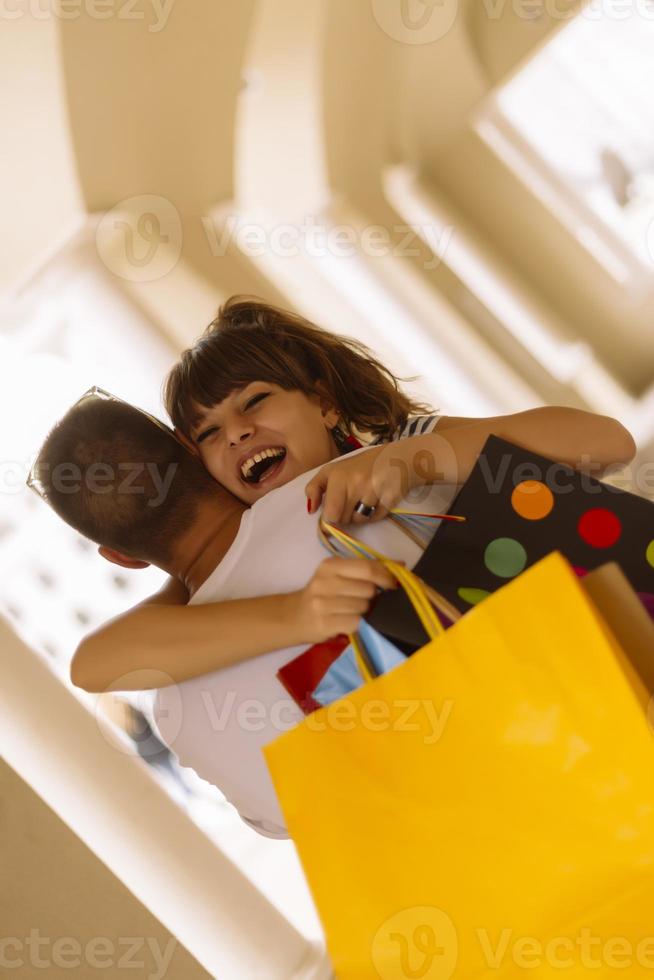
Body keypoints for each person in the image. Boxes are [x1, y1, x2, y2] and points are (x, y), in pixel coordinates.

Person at [32, 383, 636, 836]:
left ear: (121, 559)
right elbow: (593, 455)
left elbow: (297, 829)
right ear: (198, 457)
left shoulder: (179, 713)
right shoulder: (356, 487)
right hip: (622, 758)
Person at [69, 296, 637, 701]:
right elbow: (95, 662)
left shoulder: (407, 447)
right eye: (210, 433)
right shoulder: (247, 550)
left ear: (325, 404)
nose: (237, 432)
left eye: (255, 401)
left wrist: (414, 461)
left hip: (603, 652)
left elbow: (606, 442)